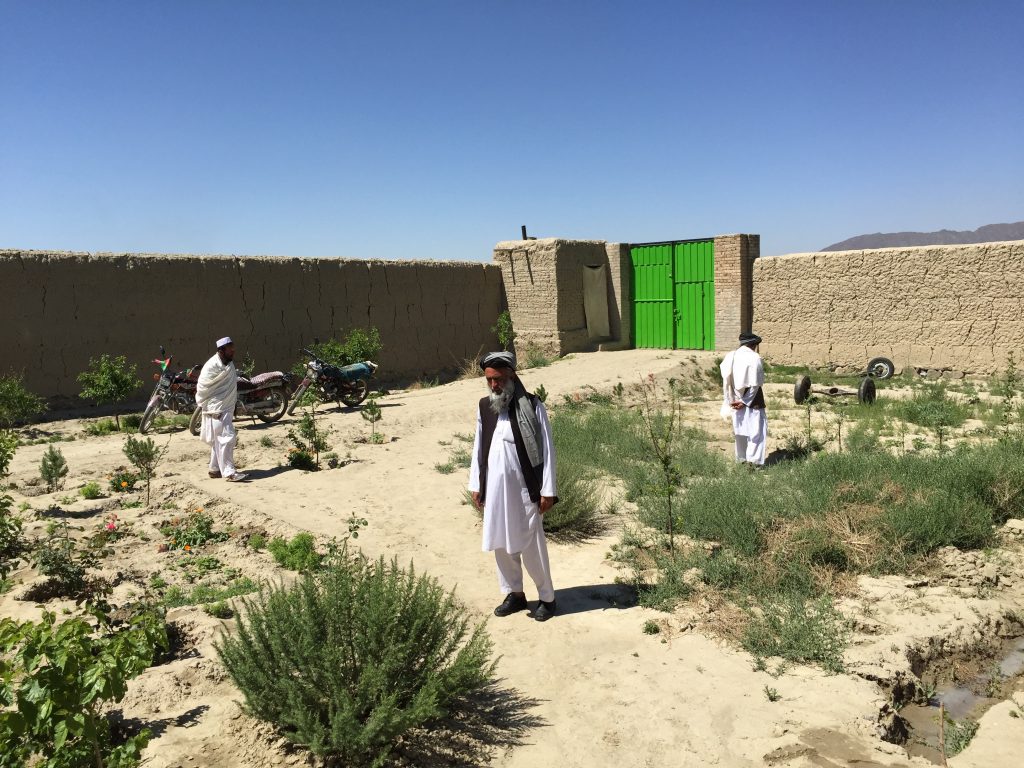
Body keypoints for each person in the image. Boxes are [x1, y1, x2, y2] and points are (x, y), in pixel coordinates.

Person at [468, 351, 558, 621]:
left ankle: (547, 598)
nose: (494, 386)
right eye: (489, 381)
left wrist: (548, 490)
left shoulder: (532, 405)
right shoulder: (485, 406)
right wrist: (476, 484)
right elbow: (478, 447)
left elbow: (547, 449)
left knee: (532, 545)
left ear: (512, 377)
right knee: (500, 543)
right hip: (495, 491)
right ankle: (515, 594)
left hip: (524, 491)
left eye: (498, 380)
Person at [196, 336, 247, 482]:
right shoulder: (212, 365)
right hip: (217, 409)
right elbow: (204, 387)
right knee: (227, 438)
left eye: (233, 349)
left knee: (218, 440)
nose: (233, 351)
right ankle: (230, 472)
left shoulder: (228, 364)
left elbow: (229, 387)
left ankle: (214, 469)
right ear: (221, 350)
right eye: (230, 350)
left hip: (225, 406)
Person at [720, 331, 767, 466]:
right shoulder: (754, 358)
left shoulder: (731, 356)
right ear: (754, 345)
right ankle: (754, 463)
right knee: (756, 432)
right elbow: (755, 384)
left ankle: (741, 460)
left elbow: (726, 381)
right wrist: (745, 401)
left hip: (735, 399)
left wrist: (731, 400)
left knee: (740, 432)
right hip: (752, 401)